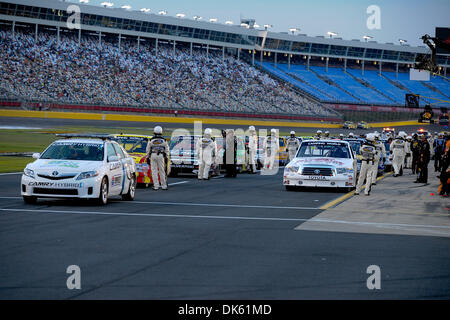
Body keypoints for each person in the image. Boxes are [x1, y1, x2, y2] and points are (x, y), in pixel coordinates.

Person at [146, 126, 170, 190]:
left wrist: (147, 157)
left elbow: (148, 149)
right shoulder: (164, 140)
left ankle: (156, 186)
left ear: (154, 132)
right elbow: (167, 149)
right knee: (162, 171)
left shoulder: (151, 140)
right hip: (161, 155)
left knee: (154, 171)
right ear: (161, 132)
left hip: (153, 155)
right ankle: (164, 186)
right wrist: (167, 157)